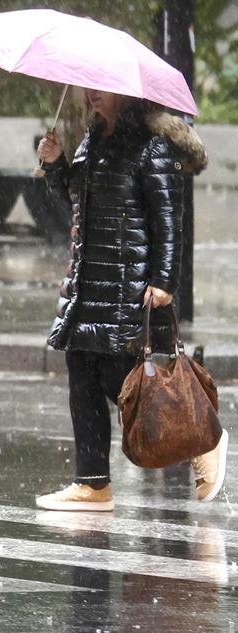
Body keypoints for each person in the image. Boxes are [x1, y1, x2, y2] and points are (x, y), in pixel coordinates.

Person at [35, 89, 226, 511]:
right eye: (87, 90)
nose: (90, 97)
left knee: (130, 385)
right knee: (81, 374)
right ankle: (92, 483)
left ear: (123, 94)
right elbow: (80, 201)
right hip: (89, 286)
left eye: (98, 91)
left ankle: (204, 440)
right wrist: (56, 165)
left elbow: (168, 222)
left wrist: (164, 281)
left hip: (129, 289)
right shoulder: (93, 138)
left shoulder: (152, 147)